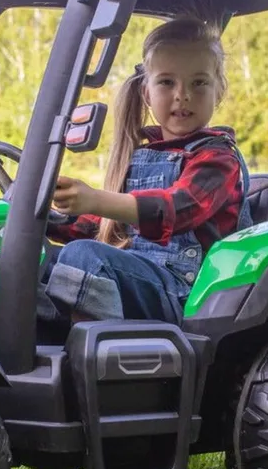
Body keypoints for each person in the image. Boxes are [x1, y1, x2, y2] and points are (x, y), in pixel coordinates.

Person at [37, 17, 252, 325]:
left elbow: (177, 209)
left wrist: (95, 199)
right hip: (139, 276)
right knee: (35, 258)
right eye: (167, 82)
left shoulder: (217, 159)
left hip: (184, 293)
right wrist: (42, 218)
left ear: (219, 91)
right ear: (147, 93)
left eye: (199, 83)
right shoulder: (143, 153)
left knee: (83, 258)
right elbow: (107, 225)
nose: (182, 95)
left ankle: (95, 346)